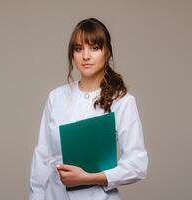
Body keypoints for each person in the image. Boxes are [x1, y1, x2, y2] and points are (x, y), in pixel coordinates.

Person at [29, 18, 148, 200]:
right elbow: (42, 157)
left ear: (106, 52)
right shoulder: (56, 97)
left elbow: (137, 165)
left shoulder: (122, 101)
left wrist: (88, 178)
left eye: (94, 48)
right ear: (72, 54)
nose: (85, 56)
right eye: (78, 49)